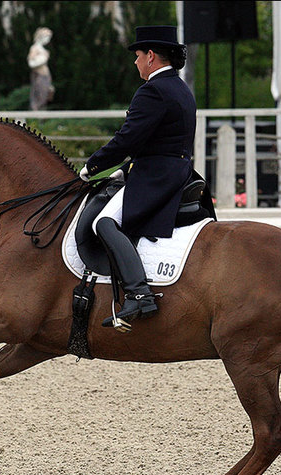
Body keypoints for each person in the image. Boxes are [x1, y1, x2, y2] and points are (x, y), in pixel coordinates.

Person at [78, 25, 195, 330]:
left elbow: (128, 138)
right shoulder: (179, 87)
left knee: (103, 222)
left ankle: (139, 293)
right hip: (171, 169)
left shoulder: (153, 90)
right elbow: (155, 140)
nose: (135, 62)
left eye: (138, 55)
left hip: (157, 176)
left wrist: (93, 166)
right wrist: (123, 169)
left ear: (151, 56)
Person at [27, 27, 55, 111]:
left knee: (45, 96)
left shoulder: (42, 49)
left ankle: (41, 118)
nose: (48, 40)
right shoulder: (34, 48)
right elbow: (31, 63)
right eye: (47, 37)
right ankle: (35, 116)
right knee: (39, 96)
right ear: (41, 37)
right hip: (39, 75)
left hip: (45, 76)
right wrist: (41, 60)